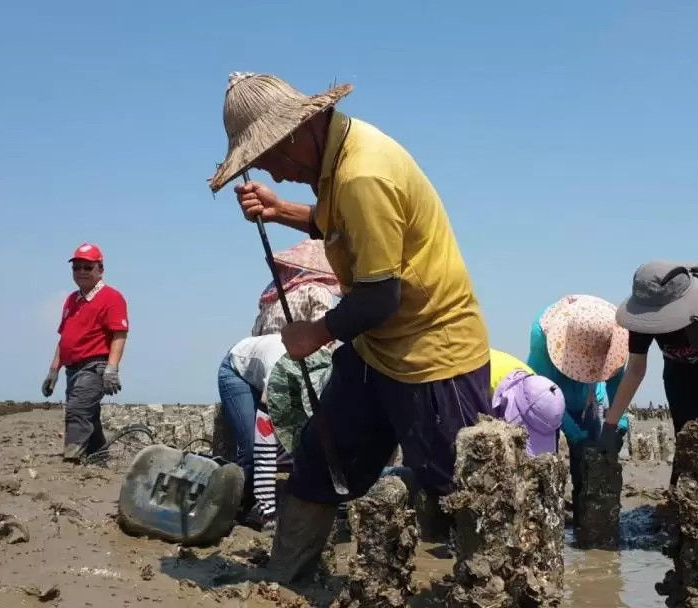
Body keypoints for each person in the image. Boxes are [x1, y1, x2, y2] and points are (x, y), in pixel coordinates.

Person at [208, 72, 491, 583]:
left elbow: (382, 295)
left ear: (298, 132)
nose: (271, 169)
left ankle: (487, 585)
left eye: (269, 156)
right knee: (321, 456)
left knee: (459, 486)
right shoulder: (338, 160)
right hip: (375, 348)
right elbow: (342, 224)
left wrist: (313, 332)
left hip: (433, 355)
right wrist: (283, 211)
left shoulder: (363, 173)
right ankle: (285, 580)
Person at [599, 261, 698, 492]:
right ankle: (682, 496)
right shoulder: (645, 308)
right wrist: (610, 426)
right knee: (688, 435)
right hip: (680, 366)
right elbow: (635, 369)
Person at [526, 294, 630, 526]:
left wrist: (619, 424)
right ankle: (546, 519)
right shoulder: (542, 333)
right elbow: (542, 393)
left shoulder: (614, 337)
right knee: (543, 462)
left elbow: (617, 386)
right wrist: (572, 433)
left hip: (589, 399)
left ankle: (587, 517)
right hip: (549, 398)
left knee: (590, 458)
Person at [217, 334, 332, 530]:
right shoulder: (278, 383)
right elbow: (264, 451)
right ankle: (246, 508)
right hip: (238, 370)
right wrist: (268, 512)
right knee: (252, 447)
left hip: (277, 366)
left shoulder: (328, 372)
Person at [41, 243, 129, 463]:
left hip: (94, 366)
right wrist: (53, 371)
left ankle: (72, 459)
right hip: (73, 368)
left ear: (100, 269)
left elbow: (119, 335)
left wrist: (111, 369)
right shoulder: (72, 300)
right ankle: (99, 458)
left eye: (87, 267)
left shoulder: (112, 298)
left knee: (77, 410)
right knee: (89, 415)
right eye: (77, 267)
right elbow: (65, 338)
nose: (81, 271)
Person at [253, 238, 341, 336]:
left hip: (297, 348)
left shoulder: (315, 290)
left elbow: (321, 331)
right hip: (273, 348)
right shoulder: (273, 293)